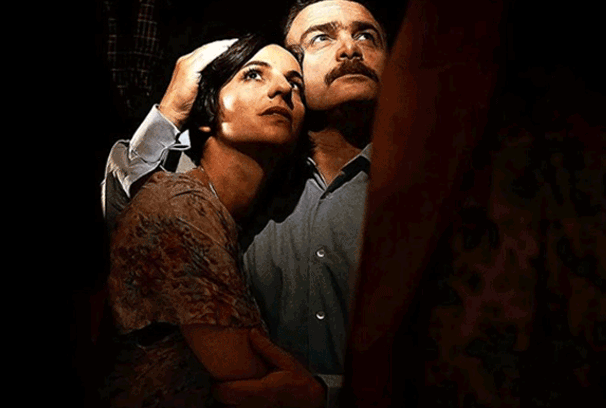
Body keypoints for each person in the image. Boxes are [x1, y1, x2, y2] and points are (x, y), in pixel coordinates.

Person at [100, 1, 390, 406]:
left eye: (366, 36)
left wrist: (327, 395)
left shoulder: (426, 190)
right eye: (321, 38)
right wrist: (170, 112)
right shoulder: (242, 182)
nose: (350, 49)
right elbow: (132, 210)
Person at [102, 34, 312, 407]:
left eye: (295, 84)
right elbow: (252, 386)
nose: (283, 88)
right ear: (206, 114)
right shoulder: (182, 208)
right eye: (253, 74)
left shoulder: (234, 217)